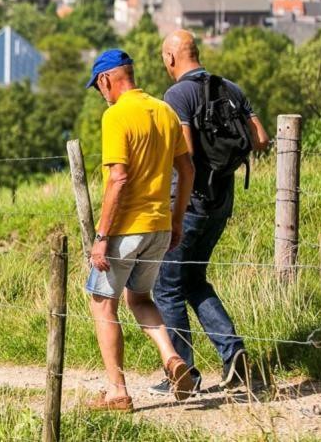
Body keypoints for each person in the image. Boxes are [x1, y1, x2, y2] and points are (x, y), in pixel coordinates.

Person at [150, 30, 270, 397]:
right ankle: (234, 354)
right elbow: (261, 138)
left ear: (171, 58)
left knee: (166, 287)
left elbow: (184, 151)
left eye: (163, 58)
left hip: (188, 204)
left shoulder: (177, 95)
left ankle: (184, 374)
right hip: (221, 204)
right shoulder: (230, 88)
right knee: (195, 281)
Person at [84, 49, 196, 412]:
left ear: (106, 80)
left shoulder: (116, 116)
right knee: (141, 298)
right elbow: (187, 169)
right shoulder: (164, 110)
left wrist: (102, 237)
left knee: (102, 304)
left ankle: (117, 391)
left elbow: (118, 178)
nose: (101, 93)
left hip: (125, 229)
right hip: (159, 226)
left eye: (98, 87)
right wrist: (176, 220)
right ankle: (172, 359)